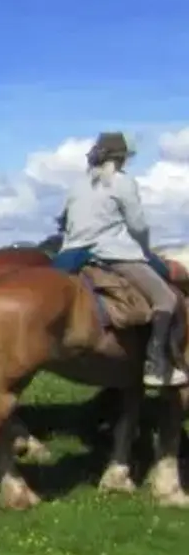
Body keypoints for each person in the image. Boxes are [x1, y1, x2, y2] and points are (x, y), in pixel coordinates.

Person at [58, 130, 188, 388]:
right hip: (113, 252)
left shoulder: (78, 184)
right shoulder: (122, 182)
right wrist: (146, 251)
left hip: (70, 253)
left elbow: (66, 222)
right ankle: (155, 364)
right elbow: (137, 225)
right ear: (122, 157)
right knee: (167, 298)